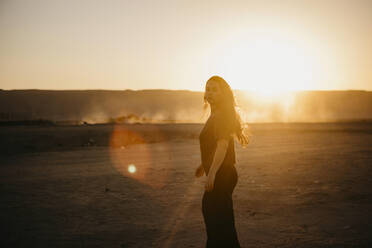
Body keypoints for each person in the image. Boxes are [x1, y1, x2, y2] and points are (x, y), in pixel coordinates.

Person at [195, 75, 250, 248]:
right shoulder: (217, 114)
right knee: (221, 224)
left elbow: (222, 145)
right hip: (223, 172)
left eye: (214, 89)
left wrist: (212, 173)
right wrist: (203, 166)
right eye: (207, 88)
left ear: (222, 94)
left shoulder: (221, 116)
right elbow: (214, 146)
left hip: (222, 174)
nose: (209, 92)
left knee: (217, 224)